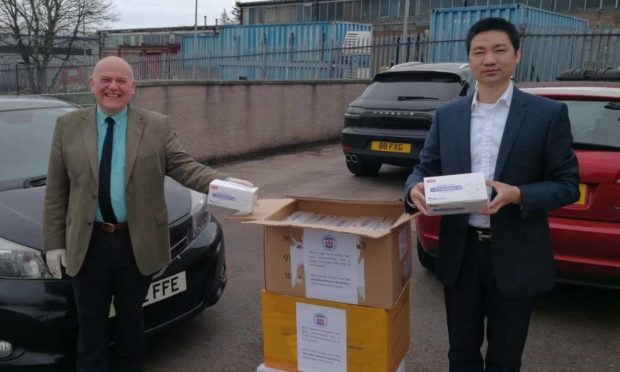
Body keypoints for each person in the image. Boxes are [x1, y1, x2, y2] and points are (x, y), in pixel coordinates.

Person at [42, 56, 251, 372]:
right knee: (91, 331)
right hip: (88, 246)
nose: (114, 87)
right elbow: (57, 189)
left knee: (131, 328)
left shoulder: (156, 125)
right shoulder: (68, 126)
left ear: (133, 88)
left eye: (122, 81)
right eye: (106, 80)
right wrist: (53, 242)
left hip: (135, 244)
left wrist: (222, 183)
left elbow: (184, 166)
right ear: (92, 85)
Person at [404, 18, 579, 372]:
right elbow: (424, 168)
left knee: (505, 356)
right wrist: (413, 188)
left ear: (516, 55)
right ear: (469, 59)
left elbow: (567, 184)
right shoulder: (448, 115)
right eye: (479, 52)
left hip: (518, 253)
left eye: (499, 50)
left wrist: (518, 194)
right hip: (461, 250)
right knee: (461, 354)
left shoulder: (546, 115)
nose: (489, 59)